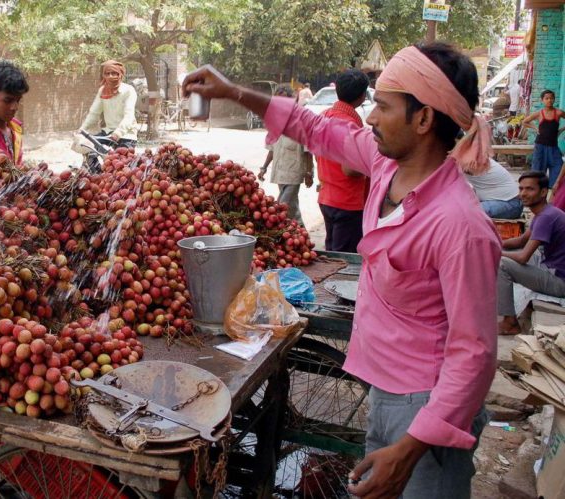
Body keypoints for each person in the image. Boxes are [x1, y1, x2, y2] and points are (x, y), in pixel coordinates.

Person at [184, 41, 500, 499]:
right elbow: (312, 128)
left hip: (427, 410)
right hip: (386, 391)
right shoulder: (385, 166)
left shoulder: (460, 226)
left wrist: (410, 450)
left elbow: (474, 356)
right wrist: (234, 92)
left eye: (384, 106)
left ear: (424, 119)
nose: (370, 117)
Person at [497, 171, 565, 334]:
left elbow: (522, 257)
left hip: (561, 281)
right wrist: (494, 244)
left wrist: (495, 252)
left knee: (501, 265)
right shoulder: (545, 213)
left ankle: (510, 322)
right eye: (521, 189)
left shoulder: (546, 217)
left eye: (529, 189)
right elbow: (520, 241)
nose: (523, 194)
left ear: (543, 192)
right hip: (551, 268)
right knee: (504, 255)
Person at [316, 69, 370, 252]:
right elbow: (350, 169)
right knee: (344, 260)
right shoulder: (349, 124)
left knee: (333, 253)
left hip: (327, 197)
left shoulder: (324, 116)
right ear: (362, 96)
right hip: (347, 201)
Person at [257, 86, 313, 226]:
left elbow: (308, 151)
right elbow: (272, 149)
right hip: (280, 173)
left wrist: (309, 172)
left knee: (282, 206)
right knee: (292, 208)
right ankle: (301, 233)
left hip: (294, 173)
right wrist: (264, 168)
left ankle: (285, 234)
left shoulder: (300, 121)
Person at [80, 60, 138, 149]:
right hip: (107, 133)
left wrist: (118, 133)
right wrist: (82, 129)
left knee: (119, 161)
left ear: (120, 74)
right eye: (107, 74)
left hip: (126, 135)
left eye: (114, 73)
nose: (110, 76)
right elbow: (94, 113)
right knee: (88, 147)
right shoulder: (103, 91)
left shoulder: (128, 91)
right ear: (104, 75)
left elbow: (128, 116)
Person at [522, 90, 565, 188]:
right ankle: (537, 196)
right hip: (540, 147)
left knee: (558, 169)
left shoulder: (558, 113)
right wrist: (535, 128)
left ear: (554, 99)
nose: (549, 100)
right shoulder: (539, 114)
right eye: (546, 98)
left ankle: (552, 195)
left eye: (551, 98)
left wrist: (561, 130)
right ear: (542, 100)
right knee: (537, 173)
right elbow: (525, 122)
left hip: (554, 147)